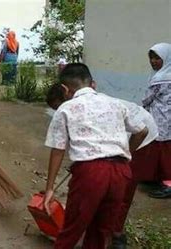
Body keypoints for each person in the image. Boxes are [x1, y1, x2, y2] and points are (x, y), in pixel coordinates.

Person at [42, 63, 148, 249]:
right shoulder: (115, 103)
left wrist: (50, 188)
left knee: (72, 230)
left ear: (65, 89)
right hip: (120, 172)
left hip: (90, 174)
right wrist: (127, 154)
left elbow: (58, 149)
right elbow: (142, 131)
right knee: (101, 232)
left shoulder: (66, 109)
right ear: (92, 83)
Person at [142, 43, 171, 199]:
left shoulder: (160, 78)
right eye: (151, 58)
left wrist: (141, 106)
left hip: (161, 120)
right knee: (160, 150)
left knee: (164, 152)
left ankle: (168, 184)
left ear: (166, 59)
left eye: (157, 58)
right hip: (166, 119)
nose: (153, 61)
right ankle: (156, 178)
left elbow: (148, 98)